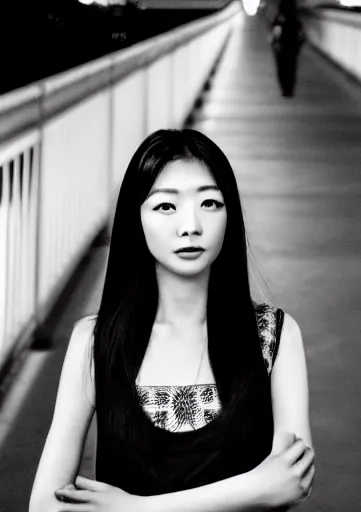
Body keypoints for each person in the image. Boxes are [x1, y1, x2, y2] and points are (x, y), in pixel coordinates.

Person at [29, 128, 315, 512]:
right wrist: (254, 487)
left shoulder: (273, 336)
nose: (190, 226)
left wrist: (134, 509)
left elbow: (290, 483)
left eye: (210, 204)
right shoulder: (95, 342)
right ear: (137, 219)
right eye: (166, 206)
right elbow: (45, 506)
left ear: (231, 214)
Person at [270, 0, 304, 97]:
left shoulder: (280, 19)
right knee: (291, 67)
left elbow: (275, 31)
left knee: (282, 67)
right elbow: (300, 34)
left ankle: (284, 87)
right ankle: (289, 88)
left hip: (282, 45)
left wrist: (274, 42)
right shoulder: (295, 20)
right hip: (292, 45)